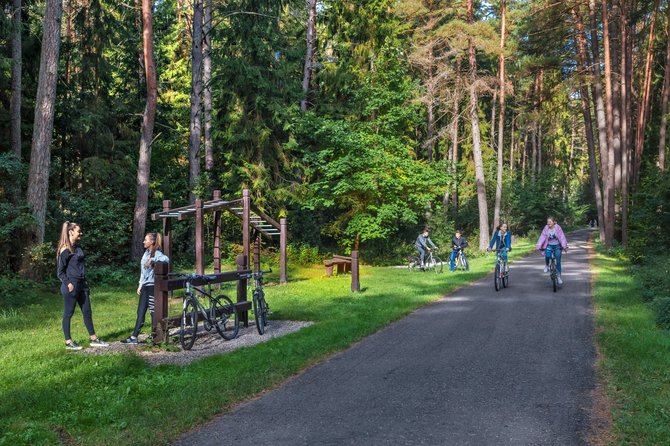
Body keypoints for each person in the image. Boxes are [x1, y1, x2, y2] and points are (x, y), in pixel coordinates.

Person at [57, 221, 109, 350]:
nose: (81, 233)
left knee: (87, 311)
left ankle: (93, 338)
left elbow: (80, 267)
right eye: (78, 231)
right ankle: (68, 342)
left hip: (82, 285)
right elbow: (60, 272)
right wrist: (68, 283)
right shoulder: (65, 250)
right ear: (71, 232)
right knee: (68, 313)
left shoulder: (78, 247)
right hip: (71, 286)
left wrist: (84, 284)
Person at [121, 233, 169, 344]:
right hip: (145, 287)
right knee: (140, 312)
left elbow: (166, 259)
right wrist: (140, 284)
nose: (143, 241)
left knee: (153, 312)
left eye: (145, 240)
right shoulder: (145, 254)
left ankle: (154, 337)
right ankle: (134, 337)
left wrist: (153, 260)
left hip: (152, 287)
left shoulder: (157, 253)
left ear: (152, 242)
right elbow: (143, 272)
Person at [536, 217, 568, 285]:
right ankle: (547, 265)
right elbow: (542, 236)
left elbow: (562, 236)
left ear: (554, 222)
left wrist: (564, 245)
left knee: (558, 261)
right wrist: (539, 244)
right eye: (548, 222)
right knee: (547, 256)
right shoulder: (546, 228)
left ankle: (559, 277)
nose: (548, 223)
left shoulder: (558, 227)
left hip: (557, 246)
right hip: (549, 246)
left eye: (550, 222)